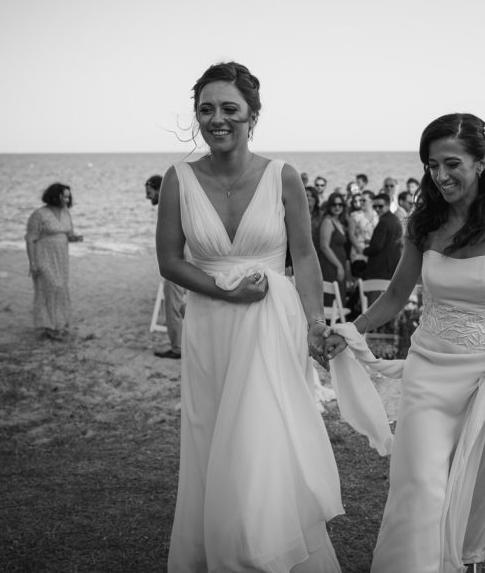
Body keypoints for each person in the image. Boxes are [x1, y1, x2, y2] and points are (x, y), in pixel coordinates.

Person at [324, 114, 485, 572]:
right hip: (428, 369)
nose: (441, 175)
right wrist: (353, 329)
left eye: (452, 164)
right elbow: (396, 293)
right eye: (432, 165)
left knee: (470, 481)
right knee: (420, 482)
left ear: (482, 163)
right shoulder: (424, 224)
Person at [156, 61, 342, 571]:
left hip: (271, 324)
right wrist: (225, 290)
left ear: (252, 115)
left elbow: (304, 255)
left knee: (265, 438)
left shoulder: (283, 176)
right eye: (206, 109)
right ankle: (220, 552)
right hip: (211, 326)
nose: (217, 119)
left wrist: (314, 322)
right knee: (213, 436)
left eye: (229, 108)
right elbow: (169, 260)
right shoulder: (178, 180)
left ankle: (266, 551)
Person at [25, 183, 81, 340]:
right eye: (64, 196)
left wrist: (75, 238)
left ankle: (58, 325)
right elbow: (30, 239)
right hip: (43, 256)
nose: (67, 199)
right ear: (55, 196)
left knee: (60, 288)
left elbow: (69, 235)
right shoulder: (39, 214)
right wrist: (33, 263)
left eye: (69, 196)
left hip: (61, 259)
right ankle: (48, 326)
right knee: (51, 287)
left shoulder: (66, 213)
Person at [146, 175, 185, 359]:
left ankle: (178, 348)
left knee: (173, 306)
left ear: (158, 189)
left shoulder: (169, 207)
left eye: (149, 192)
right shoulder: (175, 204)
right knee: (180, 305)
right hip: (181, 261)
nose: (147, 197)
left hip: (178, 263)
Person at [364, 193, 403, 280]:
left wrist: (365, 251)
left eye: (380, 206)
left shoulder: (384, 222)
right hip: (392, 266)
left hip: (381, 268)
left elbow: (377, 246)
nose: (377, 209)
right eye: (375, 206)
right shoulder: (394, 219)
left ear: (388, 205)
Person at [319, 192, 350, 296]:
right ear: (329, 206)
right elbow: (324, 246)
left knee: (340, 294)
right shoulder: (328, 222)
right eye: (334, 204)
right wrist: (339, 265)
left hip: (339, 262)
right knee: (332, 296)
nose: (337, 207)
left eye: (340, 204)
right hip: (331, 264)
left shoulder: (338, 221)